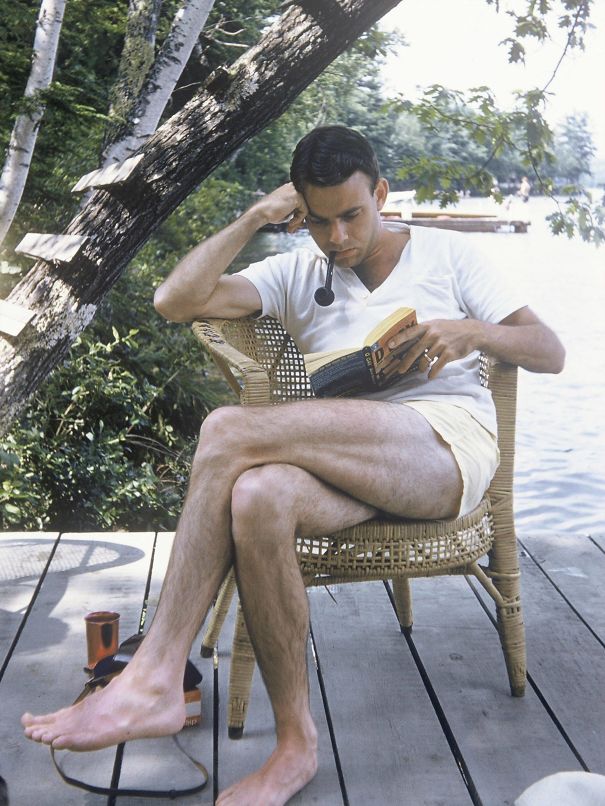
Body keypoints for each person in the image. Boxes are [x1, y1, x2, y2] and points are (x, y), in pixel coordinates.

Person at [22, 126, 565, 805]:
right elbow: (174, 301)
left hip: (439, 450)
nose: (336, 238)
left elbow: (548, 349)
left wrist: (468, 332)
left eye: (351, 216)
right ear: (299, 213)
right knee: (259, 496)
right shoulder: (293, 273)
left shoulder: (449, 255)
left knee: (225, 429)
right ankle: (294, 746)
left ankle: (156, 672)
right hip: (342, 463)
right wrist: (252, 218)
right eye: (319, 220)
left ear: (381, 195)